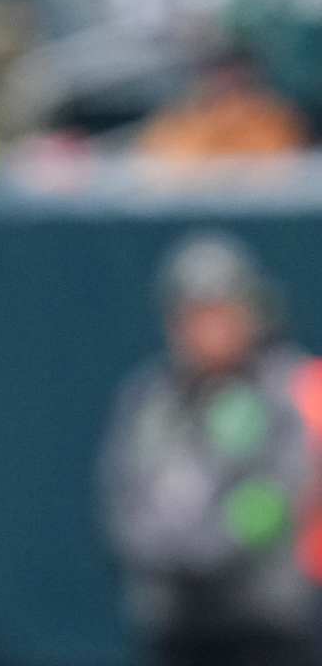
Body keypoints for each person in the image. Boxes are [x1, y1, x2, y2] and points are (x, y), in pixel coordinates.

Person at [100, 234, 318, 666]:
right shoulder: (148, 401)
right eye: (197, 315)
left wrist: (206, 549)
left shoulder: (282, 393)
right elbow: (124, 507)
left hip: (267, 628)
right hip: (174, 627)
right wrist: (172, 552)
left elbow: (279, 499)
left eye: (222, 312)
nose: (211, 330)